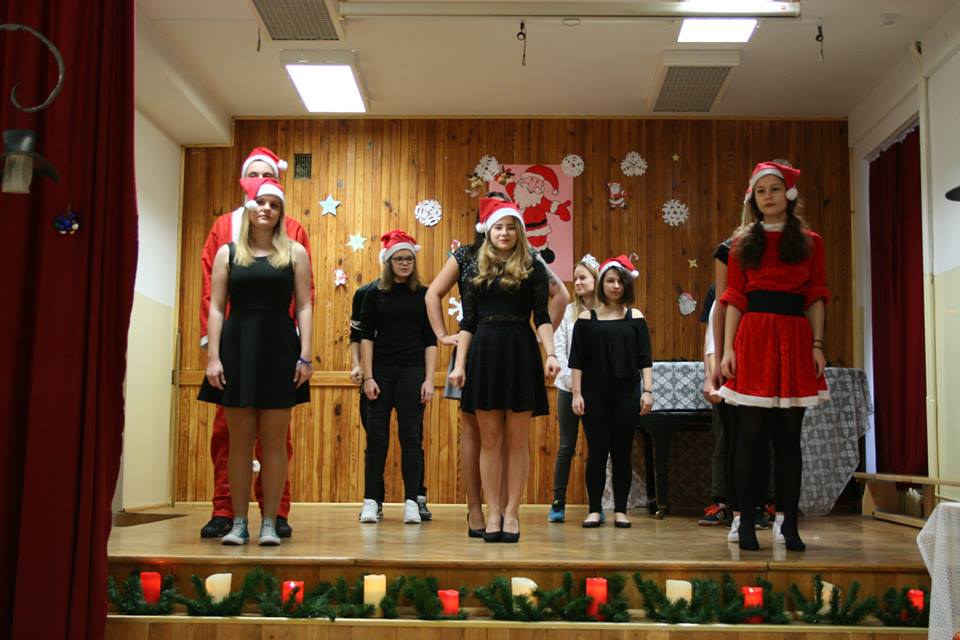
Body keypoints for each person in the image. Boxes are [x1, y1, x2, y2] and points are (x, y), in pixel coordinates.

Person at [425, 193, 568, 538]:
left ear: (519, 230)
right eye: (498, 226)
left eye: (510, 227)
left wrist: (550, 353)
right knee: (488, 438)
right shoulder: (472, 263)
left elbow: (543, 314)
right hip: (483, 352)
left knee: (517, 440)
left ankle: (511, 513)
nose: (504, 232)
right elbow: (468, 321)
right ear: (487, 229)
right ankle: (489, 514)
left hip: (521, 351)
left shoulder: (533, 265)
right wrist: (457, 362)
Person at [198, 147, 312, 540]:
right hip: (236, 349)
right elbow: (212, 298)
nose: (265, 199)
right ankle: (228, 514)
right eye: (256, 178)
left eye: (270, 180)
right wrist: (213, 353)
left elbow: (305, 299)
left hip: (277, 347)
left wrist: (304, 353)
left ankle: (274, 516)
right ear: (246, 189)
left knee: (278, 440)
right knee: (230, 439)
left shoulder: (294, 237)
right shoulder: (224, 233)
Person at [719, 161, 829, 552]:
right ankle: (747, 520)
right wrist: (727, 348)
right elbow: (734, 298)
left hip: (795, 338)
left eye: (775, 189)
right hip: (755, 338)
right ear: (754, 198)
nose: (768, 196)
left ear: (789, 195)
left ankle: (789, 523)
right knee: (750, 435)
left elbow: (816, 295)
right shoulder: (741, 244)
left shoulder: (811, 242)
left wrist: (817, 345)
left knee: (788, 439)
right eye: (761, 190)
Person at [359, 230, 438, 524]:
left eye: (409, 258)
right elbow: (366, 337)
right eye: (398, 258)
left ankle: (412, 502)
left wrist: (429, 380)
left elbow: (430, 340)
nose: (404, 263)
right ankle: (371, 501)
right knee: (377, 439)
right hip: (381, 372)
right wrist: (368, 377)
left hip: (412, 372)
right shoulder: (374, 294)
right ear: (388, 262)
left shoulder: (425, 295)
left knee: (411, 438)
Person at [569, 255, 653, 528]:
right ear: (601, 284)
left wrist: (647, 391)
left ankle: (620, 511)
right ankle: (595, 510)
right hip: (593, 395)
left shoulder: (635, 317)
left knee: (622, 453)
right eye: (610, 281)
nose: (616, 286)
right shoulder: (586, 319)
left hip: (627, 394)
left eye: (620, 281)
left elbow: (645, 359)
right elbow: (577, 361)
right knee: (597, 452)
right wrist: (577, 394)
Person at [548, 255, 600, 522]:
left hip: (597, 389)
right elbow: (559, 348)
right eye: (576, 278)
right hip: (568, 386)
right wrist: (571, 381)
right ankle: (558, 501)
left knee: (597, 447)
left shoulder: (605, 312)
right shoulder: (569, 312)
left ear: (596, 280)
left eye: (583, 278)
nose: (578, 282)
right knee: (566, 445)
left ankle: (596, 505)